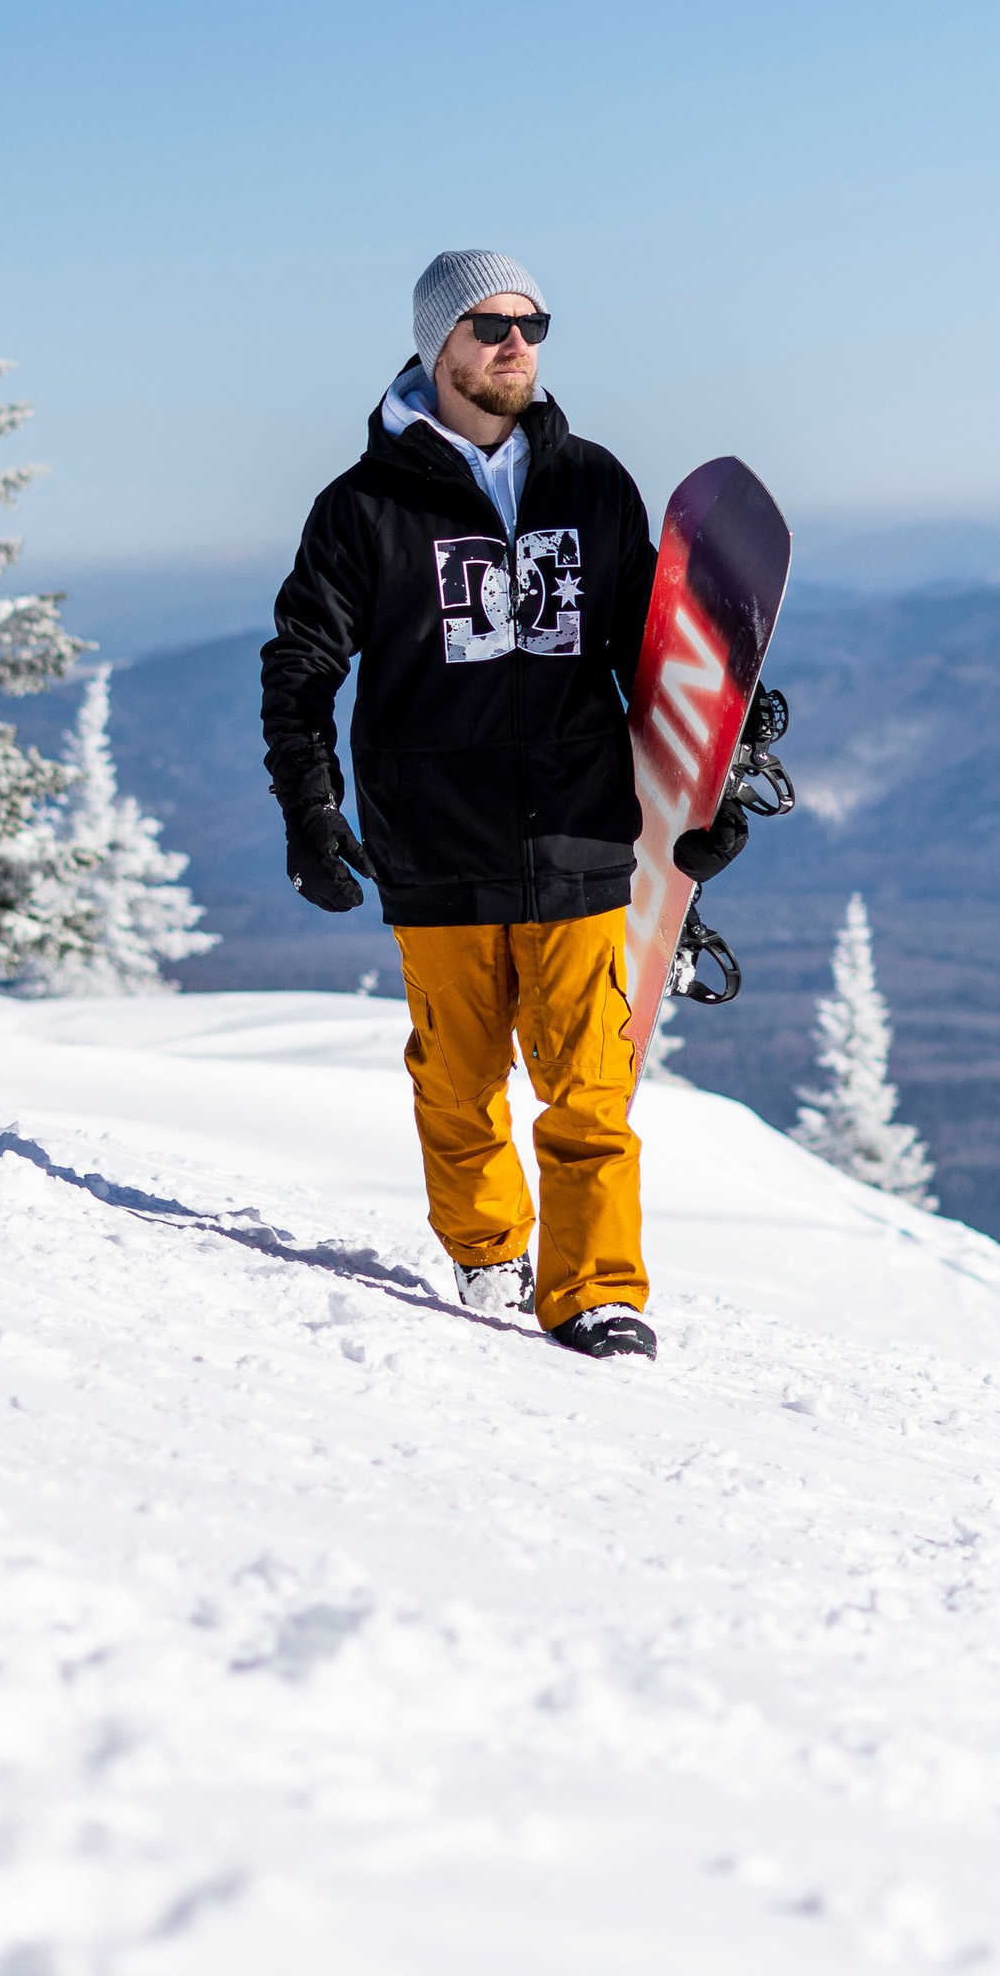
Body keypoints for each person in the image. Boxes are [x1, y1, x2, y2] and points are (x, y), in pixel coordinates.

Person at [261, 249, 748, 1361]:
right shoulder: (361, 508)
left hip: (579, 834)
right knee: (462, 1083)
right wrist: (308, 808)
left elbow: (655, 659)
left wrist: (697, 798)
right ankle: (488, 1251)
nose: (517, 343)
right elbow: (299, 664)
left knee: (591, 1090)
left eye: (533, 322)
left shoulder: (593, 485)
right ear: (439, 348)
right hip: (433, 847)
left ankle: (596, 1293)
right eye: (491, 326)